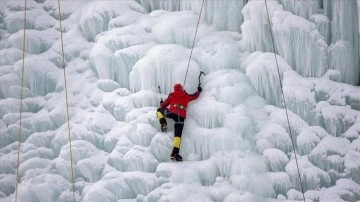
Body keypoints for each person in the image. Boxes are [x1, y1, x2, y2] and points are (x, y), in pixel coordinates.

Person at [156, 83, 202, 161]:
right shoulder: (186, 95)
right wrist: (199, 91)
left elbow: (163, 106)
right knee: (178, 136)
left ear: (174, 89)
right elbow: (195, 96)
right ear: (181, 88)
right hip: (181, 117)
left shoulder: (172, 95)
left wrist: (161, 104)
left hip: (172, 112)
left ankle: (163, 124)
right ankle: (174, 153)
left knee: (159, 111)